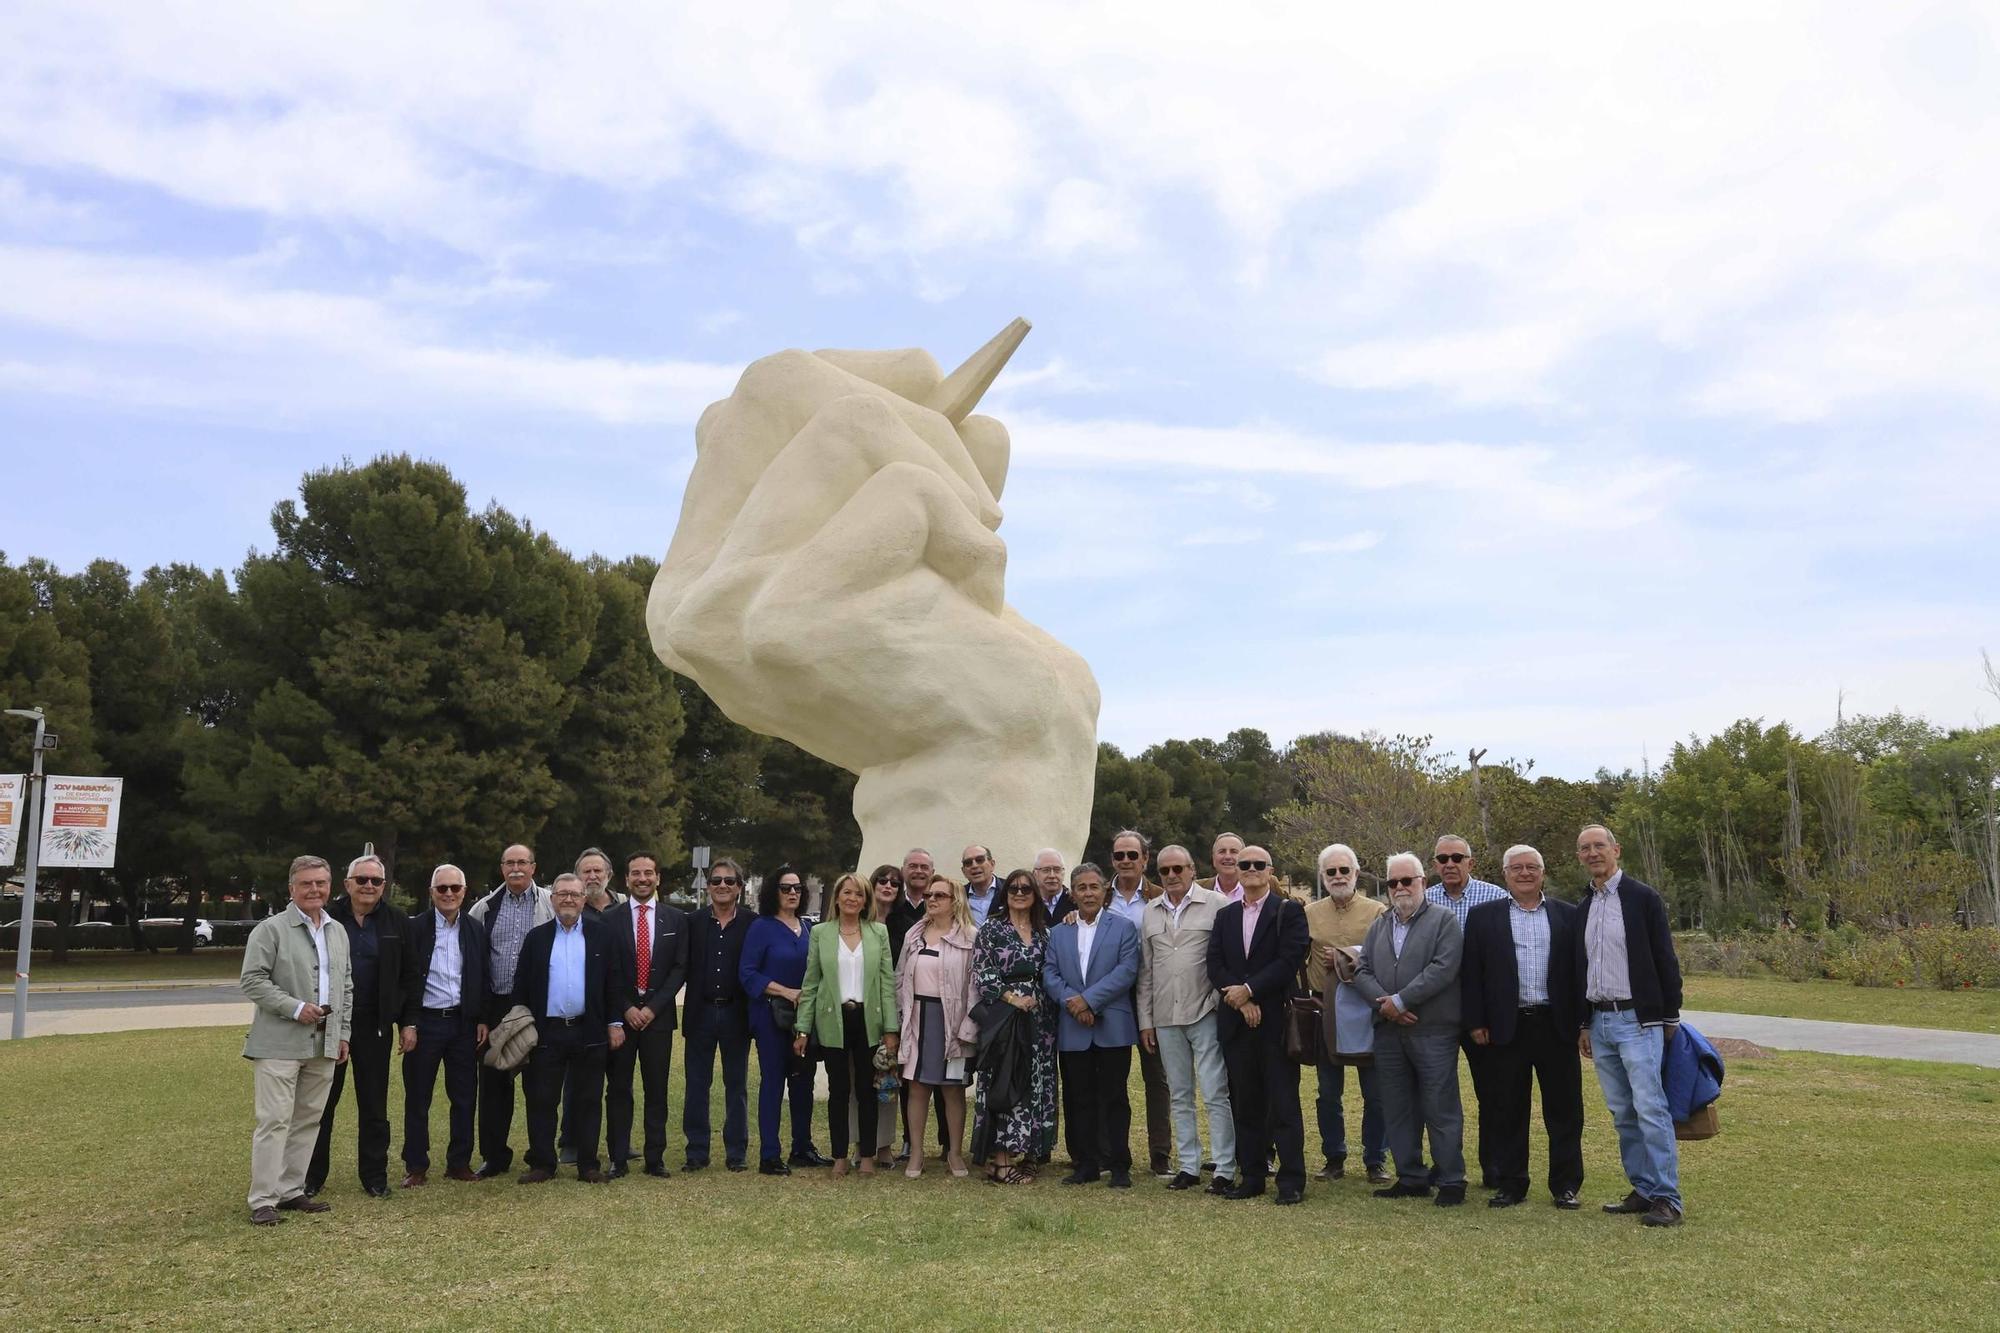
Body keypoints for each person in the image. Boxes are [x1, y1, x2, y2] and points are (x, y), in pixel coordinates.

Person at [1574, 824, 1686, 1227]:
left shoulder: (1642, 899)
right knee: (1622, 1111)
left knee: (1650, 1108)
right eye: (1584, 849)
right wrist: (1584, 1023)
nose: (1592, 853)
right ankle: (1643, 1188)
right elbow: (1581, 969)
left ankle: (1667, 1198)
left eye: (1599, 846)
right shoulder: (1585, 905)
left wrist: (1669, 1016)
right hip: (1600, 1021)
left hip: (1638, 1020)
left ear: (1616, 850)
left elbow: (1664, 959)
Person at [1463, 844, 1584, 1209]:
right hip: (1506, 1027)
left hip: (1556, 1026)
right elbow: (1472, 975)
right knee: (1507, 1109)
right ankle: (1512, 1183)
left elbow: (1580, 974)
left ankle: (1565, 1185)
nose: (1525, 873)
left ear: (1543, 873)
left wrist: (1582, 1023)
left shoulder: (1568, 915)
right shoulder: (1483, 917)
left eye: (1532, 867)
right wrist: (1476, 1021)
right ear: (1505, 874)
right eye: (1517, 868)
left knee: (1564, 1111)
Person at [239, 855, 352, 1226]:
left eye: (320, 883)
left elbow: (345, 987)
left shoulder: (337, 931)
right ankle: (263, 1199)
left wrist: (343, 1034)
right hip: (278, 1045)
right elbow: (253, 980)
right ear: (292, 888)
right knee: (273, 1121)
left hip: (323, 1045)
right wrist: (294, 1007)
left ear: (330, 886)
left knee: (308, 1120)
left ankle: (291, 1190)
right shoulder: (270, 930)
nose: (314, 890)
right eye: (306, 883)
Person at [1355, 852, 1467, 1207]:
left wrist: (1401, 1001)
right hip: (1389, 1032)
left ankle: (1451, 1179)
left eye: (1408, 880)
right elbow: (1361, 970)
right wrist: (1386, 1005)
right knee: (1397, 1107)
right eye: (1393, 882)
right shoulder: (1380, 924)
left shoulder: (1444, 920)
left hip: (1432, 1030)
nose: (1400, 888)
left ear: (1423, 882)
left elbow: (1443, 968)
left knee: (1439, 1105)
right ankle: (1411, 1176)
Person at [1207, 844, 1310, 1204]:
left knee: (1283, 1104)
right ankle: (1251, 1176)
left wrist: (1250, 990)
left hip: (1276, 1022)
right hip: (1237, 1024)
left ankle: (1291, 1180)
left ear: (1270, 871)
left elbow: (1289, 959)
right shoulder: (1225, 916)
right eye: (1243, 863)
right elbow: (1215, 964)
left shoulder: (1289, 912)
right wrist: (1239, 998)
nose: (1249, 868)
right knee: (1245, 1104)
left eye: (1257, 864)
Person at [305, 852, 407, 1199]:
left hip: (375, 1025)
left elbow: (407, 977)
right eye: (361, 880)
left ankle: (374, 1175)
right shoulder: (326, 918)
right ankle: (311, 1175)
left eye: (375, 881)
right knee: (322, 1102)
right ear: (347, 884)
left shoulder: (396, 921)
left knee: (374, 1104)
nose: (368, 886)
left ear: (383, 886)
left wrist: (408, 1022)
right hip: (330, 1023)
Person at [1136, 844, 1236, 1193]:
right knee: (1179, 1094)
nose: (1172, 876)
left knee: (1214, 1092)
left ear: (1193, 870)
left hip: (1205, 1012)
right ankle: (1189, 1166)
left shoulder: (1217, 905)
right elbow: (1146, 971)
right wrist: (1146, 1020)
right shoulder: (1150, 912)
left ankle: (1224, 1167)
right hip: (1165, 1017)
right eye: (1165, 871)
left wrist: (1214, 1001)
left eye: (1179, 868)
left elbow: (1227, 960)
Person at [512, 874, 622, 1183]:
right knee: (542, 1099)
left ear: (584, 899)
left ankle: (588, 1164)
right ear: (552, 899)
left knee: (588, 1099)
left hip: (589, 1030)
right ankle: (543, 1163)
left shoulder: (602, 936)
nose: (569, 900)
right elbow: (521, 985)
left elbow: (614, 983)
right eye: (562, 895)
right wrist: (522, 1025)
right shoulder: (537, 938)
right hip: (547, 1031)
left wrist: (615, 1023)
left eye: (574, 894)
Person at [793, 873, 899, 1175]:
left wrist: (891, 1029)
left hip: (869, 1019)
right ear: (837, 897)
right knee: (838, 1090)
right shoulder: (820, 933)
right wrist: (802, 1029)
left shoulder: (878, 932)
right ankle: (839, 1154)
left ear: (866, 901)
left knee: (867, 1090)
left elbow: (887, 984)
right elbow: (811, 983)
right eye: (847, 893)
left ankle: (867, 1155)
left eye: (859, 894)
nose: (852, 898)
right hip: (833, 1020)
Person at [1044, 862, 1141, 1188]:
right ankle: (1085, 1163)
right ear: (1073, 894)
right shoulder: (1058, 932)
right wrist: (1073, 1002)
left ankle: (1119, 1165)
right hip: (1073, 1027)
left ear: (1104, 891)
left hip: (1112, 1025)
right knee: (1078, 1097)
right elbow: (1050, 974)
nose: (1088, 893)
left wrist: (1089, 1001)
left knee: (1115, 1098)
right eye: (1082, 888)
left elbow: (1127, 970)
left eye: (1093, 887)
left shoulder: (1123, 927)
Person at [1304, 841, 1390, 1185]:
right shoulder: (1309, 913)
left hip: (1367, 1007)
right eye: (1331, 871)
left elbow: (1386, 954)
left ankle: (1375, 1160)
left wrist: (1348, 955)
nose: (1338, 876)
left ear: (1356, 873)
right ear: (1323, 876)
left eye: (1344, 870)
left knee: (1375, 1092)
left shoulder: (1378, 912)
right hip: (1325, 1009)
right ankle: (1334, 1157)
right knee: (1328, 1091)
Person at [1425, 833, 1508, 1186]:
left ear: (1470, 862)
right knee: (1438, 1094)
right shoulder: (1423, 899)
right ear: (1434, 865)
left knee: (1491, 1092)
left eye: (1457, 857)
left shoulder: (1496, 897)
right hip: (1435, 1013)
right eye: (1442, 858)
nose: (1449, 864)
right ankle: (1445, 1163)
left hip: (1481, 1014)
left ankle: (1494, 1165)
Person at [397, 863, 487, 1188]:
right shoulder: (415, 928)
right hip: (425, 1024)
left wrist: (482, 1019)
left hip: (463, 1025)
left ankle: (459, 1163)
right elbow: (405, 980)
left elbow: (482, 977)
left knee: (464, 1097)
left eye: (455, 888)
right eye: (442, 888)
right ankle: (416, 1166)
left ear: (465, 892)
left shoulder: (476, 929)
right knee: (418, 1097)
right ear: (431, 892)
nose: (448, 894)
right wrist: (408, 1023)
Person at [467, 843, 552, 1178]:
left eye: (522, 862)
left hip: (539, 1006)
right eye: (509, 863)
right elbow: (476, 966)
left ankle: (540, 1155)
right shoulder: (484, 909)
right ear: (501, 868)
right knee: (493, 1085)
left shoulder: (549, 902)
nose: (516, 868)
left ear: (533, 866)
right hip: (497, 1006)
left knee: (539, 1086)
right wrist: (483, 1017)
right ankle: (494, 1156)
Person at [603, 849, 688, 1178]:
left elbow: (679, 969)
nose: (642, 879)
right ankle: (618, 1158)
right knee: (619, 1089)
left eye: (648, 873)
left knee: (657, 1089)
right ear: (626, 879)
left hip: (659, 1019)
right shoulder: (610, 918)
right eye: (636, 873)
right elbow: (607, 971)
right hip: (621, 1019)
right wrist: (626, 1008)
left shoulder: (675, 919)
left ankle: (655, 1158)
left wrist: (652, 1008)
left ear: (658, 878)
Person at [973, 872, 1056, 1184]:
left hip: (1042, 1022)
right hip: (1006, 1019)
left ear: (1035, 894)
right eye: (1013, 888)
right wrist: (1012, 999)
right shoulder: (992, 929)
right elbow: (983, 972)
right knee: (1007, 1082)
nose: (1019, 893)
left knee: (1037, 1085)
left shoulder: (1043, 932)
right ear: (1004, 893)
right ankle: (1001, 1159)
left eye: (1026, 888)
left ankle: (1030, 1154)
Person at [895, 873, 979, 1177]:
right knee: (917, 1087)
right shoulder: (914, 934)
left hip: (954, 1023)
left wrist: (968, 1027)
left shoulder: (971, 936)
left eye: (939, 895)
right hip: (919, 1018)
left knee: (953, 1090)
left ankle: (955, 1154)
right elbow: (900, 978)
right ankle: (916, 1154)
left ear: (954, 901)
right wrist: (897, 1020)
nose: (931, 900)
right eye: (929, 895)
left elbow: (976, 986)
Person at [742, 866, 824, 1174]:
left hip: (803, 1019)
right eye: (785, 888)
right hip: (770, 1015)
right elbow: (748, 972)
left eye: (798, 888)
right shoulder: (761, 927)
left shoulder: (809, 929)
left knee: (803, 1082)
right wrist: (786, 991)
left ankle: (802, 1148)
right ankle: (769, 1154)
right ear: (772, 892)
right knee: (774, 1082)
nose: (792, 893)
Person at [1105, 828, 1172, 1177]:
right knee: (1110, 1078)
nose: (1126, 861)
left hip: (1153, 993)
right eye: (1120, 856)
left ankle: (1160, 1153)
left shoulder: (1161, 897)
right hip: (1111, 996)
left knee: (1156, 1078)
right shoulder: (1097, 897)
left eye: (1133, 855)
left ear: (1146, 859)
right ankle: (1111, 1152)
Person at [683, 857, 753, 1171]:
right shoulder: (692, 922)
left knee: (735, 1085)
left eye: (729, 881)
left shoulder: (752, 924)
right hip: (700, 1013)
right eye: (715, 881)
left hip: (736, 1014)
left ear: (739, 887)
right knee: (697, 1085)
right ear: (708, 887)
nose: (722, 886)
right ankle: (697, 1152)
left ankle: (736, 1152)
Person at [575, 847, 625, 917]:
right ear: (577, 877)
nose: (592, 877)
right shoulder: (571, 906)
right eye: (587, 871)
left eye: (597, 871)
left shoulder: (623, 902)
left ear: (609, 875)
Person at [961, 844, 1000, 927]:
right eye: (968, 863)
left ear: (992, 864)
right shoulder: (958, 895)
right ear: (963, 871)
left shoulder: (1009, 890)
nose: (974, 865)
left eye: (980, 860)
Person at [1033, 848, 1072, 922]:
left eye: (1057, 870)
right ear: (1035, 874)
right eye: (1046, 870)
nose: (1052, 875)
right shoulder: (1028, 903)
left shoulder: (1075, 902)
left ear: (1063, 873)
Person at [1206, 832, 1245, 902]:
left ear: (1244, 858)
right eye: (1222, 851)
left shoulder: (1266, 886)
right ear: (1213, 858)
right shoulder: (1197, 889)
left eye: (1234, 852)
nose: (1227, 857)